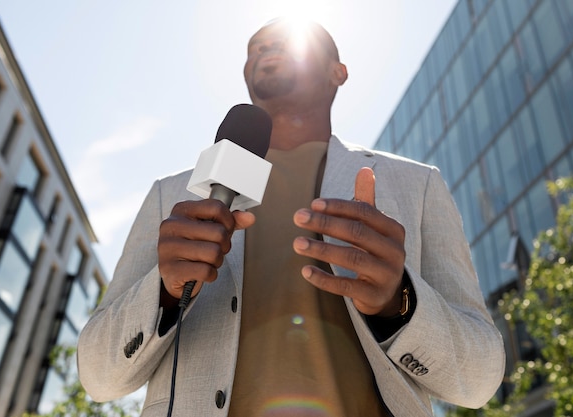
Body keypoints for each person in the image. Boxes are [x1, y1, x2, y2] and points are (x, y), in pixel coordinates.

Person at [78, 17, 505, 416]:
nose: (265, 50)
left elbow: (478, 381)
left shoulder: (417, 185)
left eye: (284, 42)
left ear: (338, 71)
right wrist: (165, 292)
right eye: (255, 47)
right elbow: (98, 378)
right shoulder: (170, 196)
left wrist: (398, 305)